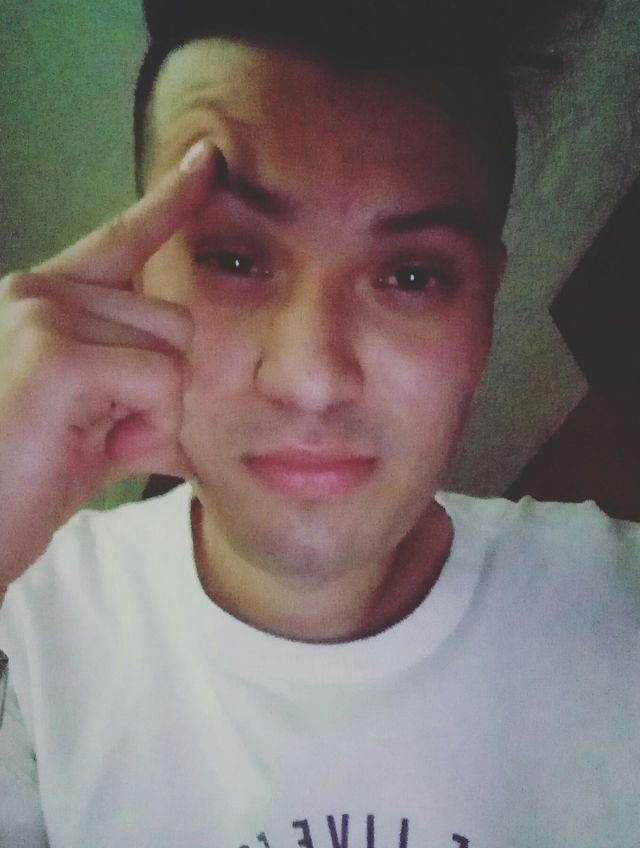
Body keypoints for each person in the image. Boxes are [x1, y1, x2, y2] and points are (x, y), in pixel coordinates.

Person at [0, 2, 638, 846]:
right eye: (233, 258)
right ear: (139, 279)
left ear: (485, 310)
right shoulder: (30, 621)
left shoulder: (617, 609)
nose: (310, 379)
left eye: (411, 276)